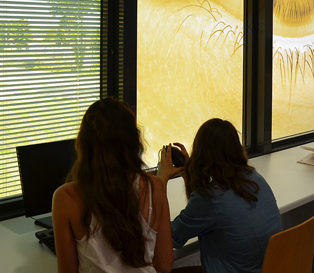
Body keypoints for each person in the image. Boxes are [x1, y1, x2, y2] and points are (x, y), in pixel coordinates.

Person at [52, 98, 174, 273]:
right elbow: (164, 265)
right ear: (133, 141)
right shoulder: (154, 187)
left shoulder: (66, 197)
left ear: (84, 144)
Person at [157, 118, 283, 273]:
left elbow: (169, 237)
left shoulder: (211, 198)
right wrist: (188, 174)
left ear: (201, 154)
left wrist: (160, 180)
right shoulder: (254, 177)